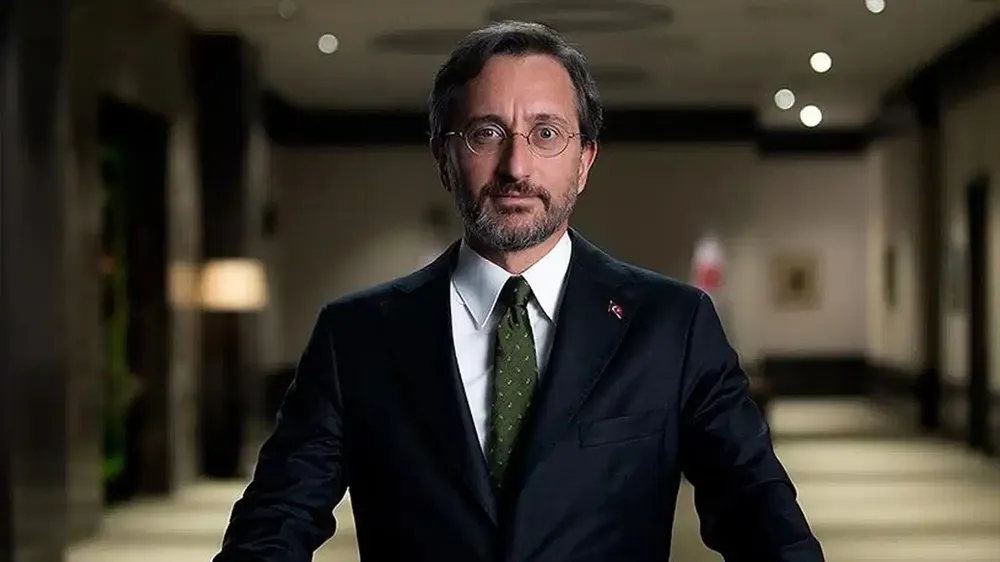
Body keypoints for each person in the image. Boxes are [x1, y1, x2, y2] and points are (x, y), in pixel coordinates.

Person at [213, 21, 825, 562]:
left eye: (546, 133)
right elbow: (274, 525)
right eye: (486, 133)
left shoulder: (673, 325)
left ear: (584, 161)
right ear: (444, 157)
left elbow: (759, 516)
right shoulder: (356, 336)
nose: (516, 167)